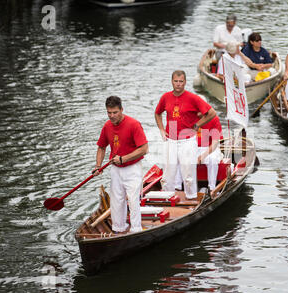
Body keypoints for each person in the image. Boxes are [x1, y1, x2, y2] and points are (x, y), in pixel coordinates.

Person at [155, 70, 217, 199]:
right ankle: (167, 198)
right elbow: (157, 113)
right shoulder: (165, 97)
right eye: (176, 81)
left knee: (188, 175)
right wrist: (161, 129)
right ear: (172, 81)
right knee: (167, 175)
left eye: (181, 81)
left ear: (185, 82)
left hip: (187, 141)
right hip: (170, 140)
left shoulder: (193, 98)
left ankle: (191, 198)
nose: (178, 84)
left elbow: (211, 113)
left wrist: (197, 125)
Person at [94, 96, 148, 234]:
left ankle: (136, 230)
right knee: (117, 200)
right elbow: (101, 147)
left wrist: (124, 159)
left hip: (132, 168)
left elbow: (144, 149)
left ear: (121, 110)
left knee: (133, 199)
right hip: (116, 169)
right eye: (109, 113)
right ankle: (119, 229)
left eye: (115, 112)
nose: (112, 116)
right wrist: (98, 166)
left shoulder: (134, 124)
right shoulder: (107, 126)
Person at [175, 112, 223, 192]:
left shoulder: (214, 119)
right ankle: (177, 187)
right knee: (179, 156)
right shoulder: (188, 118)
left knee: (212, 160)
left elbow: (215, 143)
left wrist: (202, 156)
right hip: (193, 147)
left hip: (209, 148)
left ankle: (212, 188)